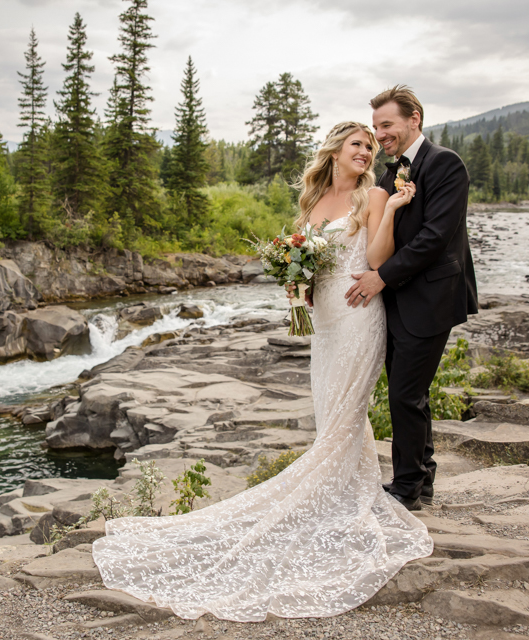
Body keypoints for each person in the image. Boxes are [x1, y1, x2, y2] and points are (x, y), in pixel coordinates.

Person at [91, 120, 434, 623]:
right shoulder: (313, 202)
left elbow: (379, 258)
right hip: (325, 321)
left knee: (345, 412)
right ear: (335, 151)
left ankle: (333, 497)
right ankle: (347, 489)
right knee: (332, 414)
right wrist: (296, 283)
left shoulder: (375, 195)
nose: (366, 151)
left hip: (360, 315)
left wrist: (395, 211)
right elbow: (308, 262)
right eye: (357, 144)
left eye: (370, 144)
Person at [344, 86, 478, 511]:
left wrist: (380, 277)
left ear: (413, 119)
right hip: (397, 301)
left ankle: (405, 488)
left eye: (387, 125)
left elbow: (434, 238)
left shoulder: (445, 164)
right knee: (409, 393)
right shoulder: (389, 175)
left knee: (404, 393)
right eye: (377, 127)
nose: (381, 134)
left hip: (433, 298)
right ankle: (423, 480)